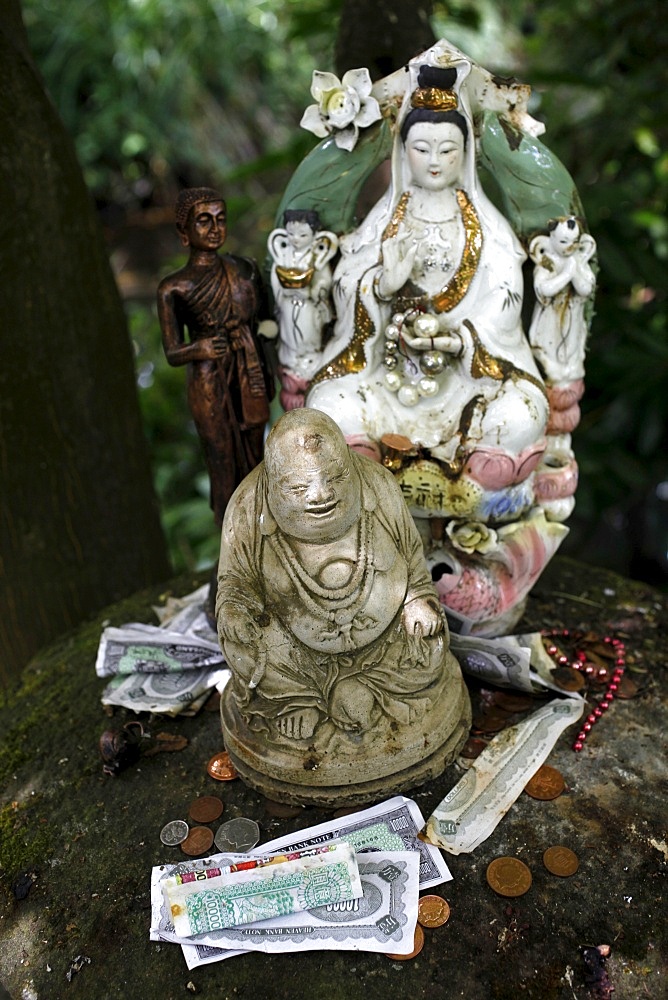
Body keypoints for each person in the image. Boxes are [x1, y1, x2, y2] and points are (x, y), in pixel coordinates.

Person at [307, 64, 549, 495]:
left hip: (467, 380)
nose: (435, 162)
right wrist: (380, 284)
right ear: (403, 151)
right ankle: (374, 483)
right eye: (422, 148)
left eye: (448, 150)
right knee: (329, 411)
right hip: (386, 377)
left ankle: (454, 479)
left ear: (466, 152)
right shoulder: (384, 222)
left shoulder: (488, 231)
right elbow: (345, 283)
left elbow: (505, 298)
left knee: (520, 418)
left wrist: (461, 341)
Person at [216, 408, 469, 769]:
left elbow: (412, 555)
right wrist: (234, 612)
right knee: (243, 644)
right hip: (295, 657)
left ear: (350, 464)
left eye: (335, 478)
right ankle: (298, 701)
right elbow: (233, 582)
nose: (320, 495)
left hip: (386, 642)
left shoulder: (377, 483)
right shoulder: (246, 507)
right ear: (273, 483)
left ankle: (364, 690)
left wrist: (417, 599)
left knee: (428, 645)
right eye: (299, 487)